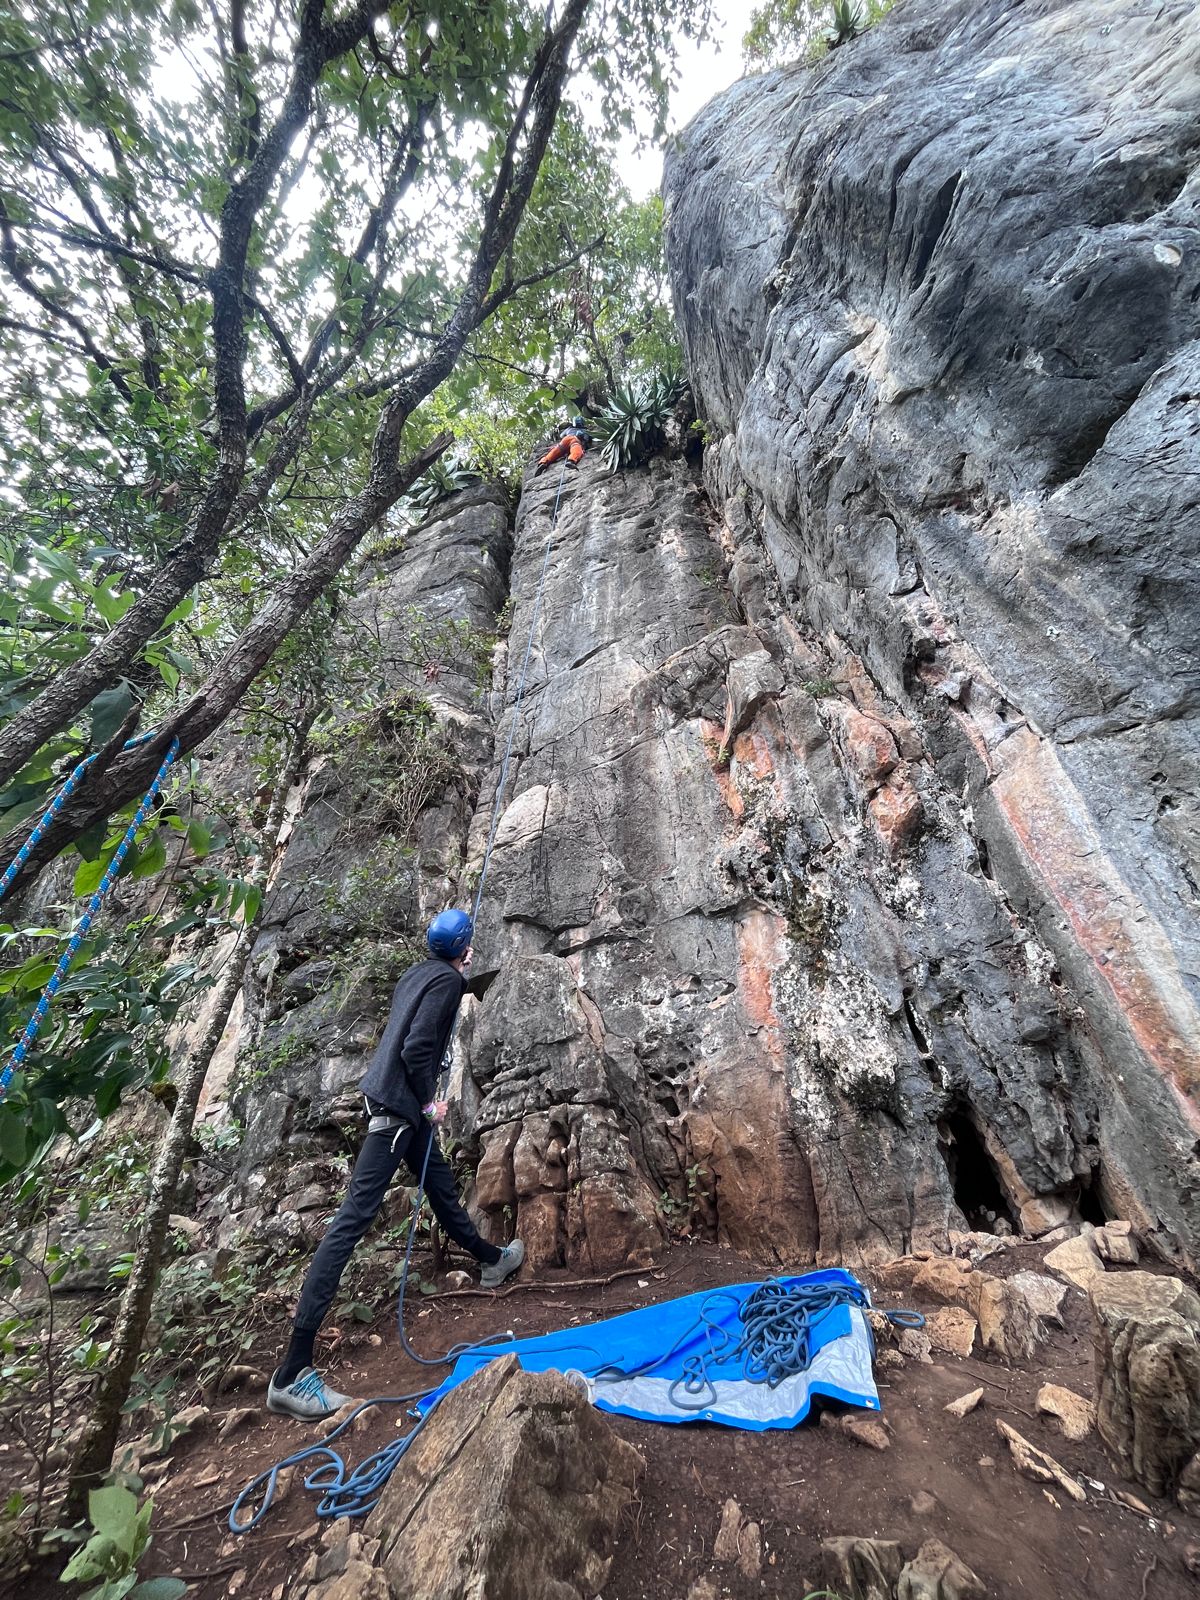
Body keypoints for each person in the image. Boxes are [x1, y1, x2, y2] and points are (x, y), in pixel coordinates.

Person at [266, 909, 524, 1421]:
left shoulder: (416, 973)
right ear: (466, 948)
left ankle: (490, 1258)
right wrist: (429, 1101)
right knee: (352, 1221)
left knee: (440, 1185)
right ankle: (291, 1371)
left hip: (389, 1104)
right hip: (400, 1111)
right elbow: (416, 1047)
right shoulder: (447, 982)